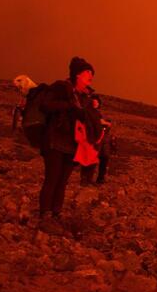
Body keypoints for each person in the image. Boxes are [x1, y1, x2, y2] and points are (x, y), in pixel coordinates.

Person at [38, 57, 100, 229]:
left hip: (73, 144)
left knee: (63, 181)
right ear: (77, 74)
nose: (91, 76)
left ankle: (56, 214)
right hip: (55, 140)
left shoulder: (85, 97)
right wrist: (68, 106)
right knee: (52, 178)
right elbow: (45, 105)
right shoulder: (61, 87)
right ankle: (45, 214)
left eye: (92, 73)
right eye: (88, 72)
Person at [80, 94, 114, 185]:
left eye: (97, 102)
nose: (95, 103)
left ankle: (90, 179)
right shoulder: (89, 112)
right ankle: (86, 179)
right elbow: (99, 122)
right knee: (90, 159)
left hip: (100, 140)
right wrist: (106, 124)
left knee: (96, 159)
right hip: (92, 139)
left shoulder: (96, 113)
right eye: (94, 102)